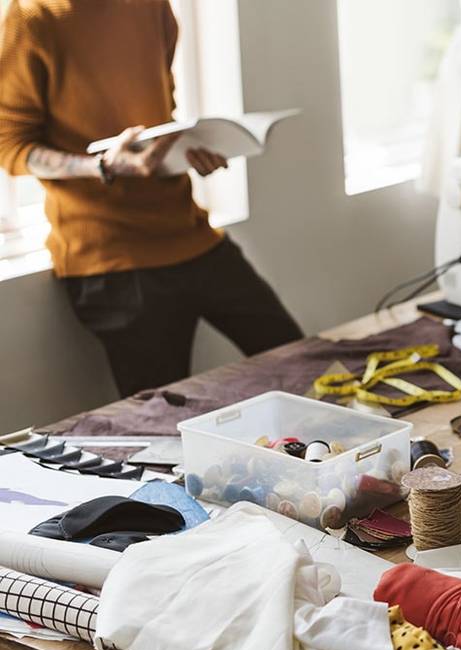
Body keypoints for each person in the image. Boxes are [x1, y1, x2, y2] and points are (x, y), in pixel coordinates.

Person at [0, 0, 302, 398]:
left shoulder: (153, 5)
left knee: (300, 363)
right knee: (161, 424)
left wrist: (189, 150)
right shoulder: (32, 17)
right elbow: (11, 145)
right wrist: (103, 167)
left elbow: (160, 111)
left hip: (193, 236)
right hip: (112, 263)